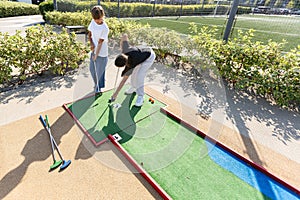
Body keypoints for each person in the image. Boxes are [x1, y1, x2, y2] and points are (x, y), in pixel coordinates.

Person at [109, 34, 156, 107]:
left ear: (125, 64)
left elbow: (124, 80)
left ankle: (141, 96)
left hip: (149, 56)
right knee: (134, 74)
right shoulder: (125, 50)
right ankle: (133, 87)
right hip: (141, 53)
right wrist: (121, 46)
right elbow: (124, 35)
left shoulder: (132, 64)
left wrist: (116, 94)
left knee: (140, 76)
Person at [88, 5, 109, 95]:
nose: (97, 21)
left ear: (102, 16)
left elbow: (100, 43)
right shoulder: (93, 22)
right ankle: (96, 84)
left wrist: (96, 55)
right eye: (96, 19)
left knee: (100, 71)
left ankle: (99, 87)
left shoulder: (105, 28)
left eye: (99, 19)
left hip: (102, 51)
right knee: (92, 69)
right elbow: (90, 34)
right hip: (94, 49)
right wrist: (91, 43)